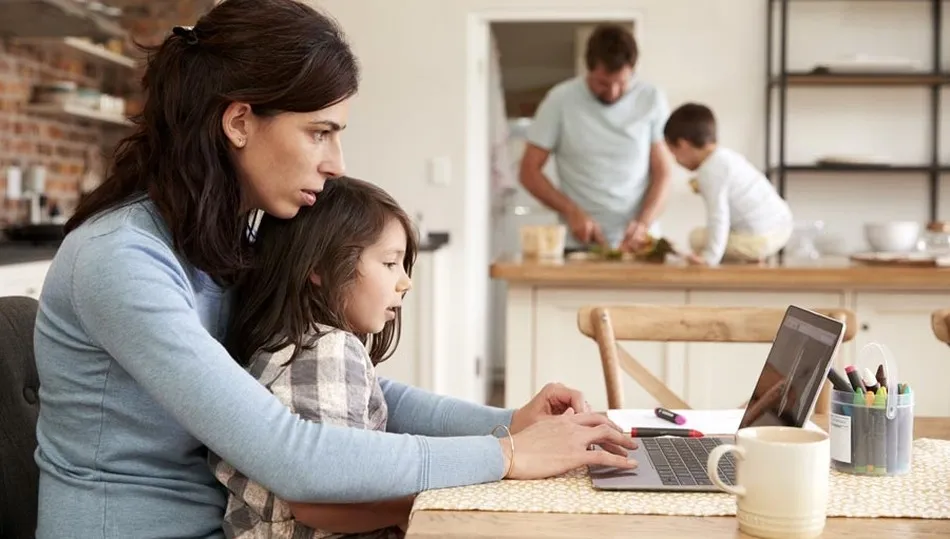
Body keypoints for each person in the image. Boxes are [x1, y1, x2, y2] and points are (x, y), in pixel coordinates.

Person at [31, 1, 636, 538]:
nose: (336, 163)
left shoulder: (226, 239)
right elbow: (289, 453)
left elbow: (349, 386)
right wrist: (505, 454)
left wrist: (510, 422)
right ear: (239, 121)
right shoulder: (122, 259)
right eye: (319, 133)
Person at [211, 177, 419, 538]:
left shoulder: (285, 345)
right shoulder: (327, 350)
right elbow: (322, 501)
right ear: (319, 268)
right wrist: (413, 505)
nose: (405, 282)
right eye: (389, 264)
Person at [519, 23, 674, 252]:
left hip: (638, 244)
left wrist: (643, 223)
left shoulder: (652, 99)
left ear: (632, 70)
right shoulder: (560, 100)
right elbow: (528, 171)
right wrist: (571, 211)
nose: (612, 93)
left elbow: (663, 172)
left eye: (621, 84)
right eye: (602, 83)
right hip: (579, 244)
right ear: (588, 69)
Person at [663, 103, 794, 266]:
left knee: (696, 238)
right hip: (782, 226)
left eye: (674, 153)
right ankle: (751, 256)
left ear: (683, 144)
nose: (676, 161)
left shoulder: (709, 171)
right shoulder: (727, 157)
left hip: (761, 239)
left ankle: (748, 255)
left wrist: (709, 258)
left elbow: (718, 216)